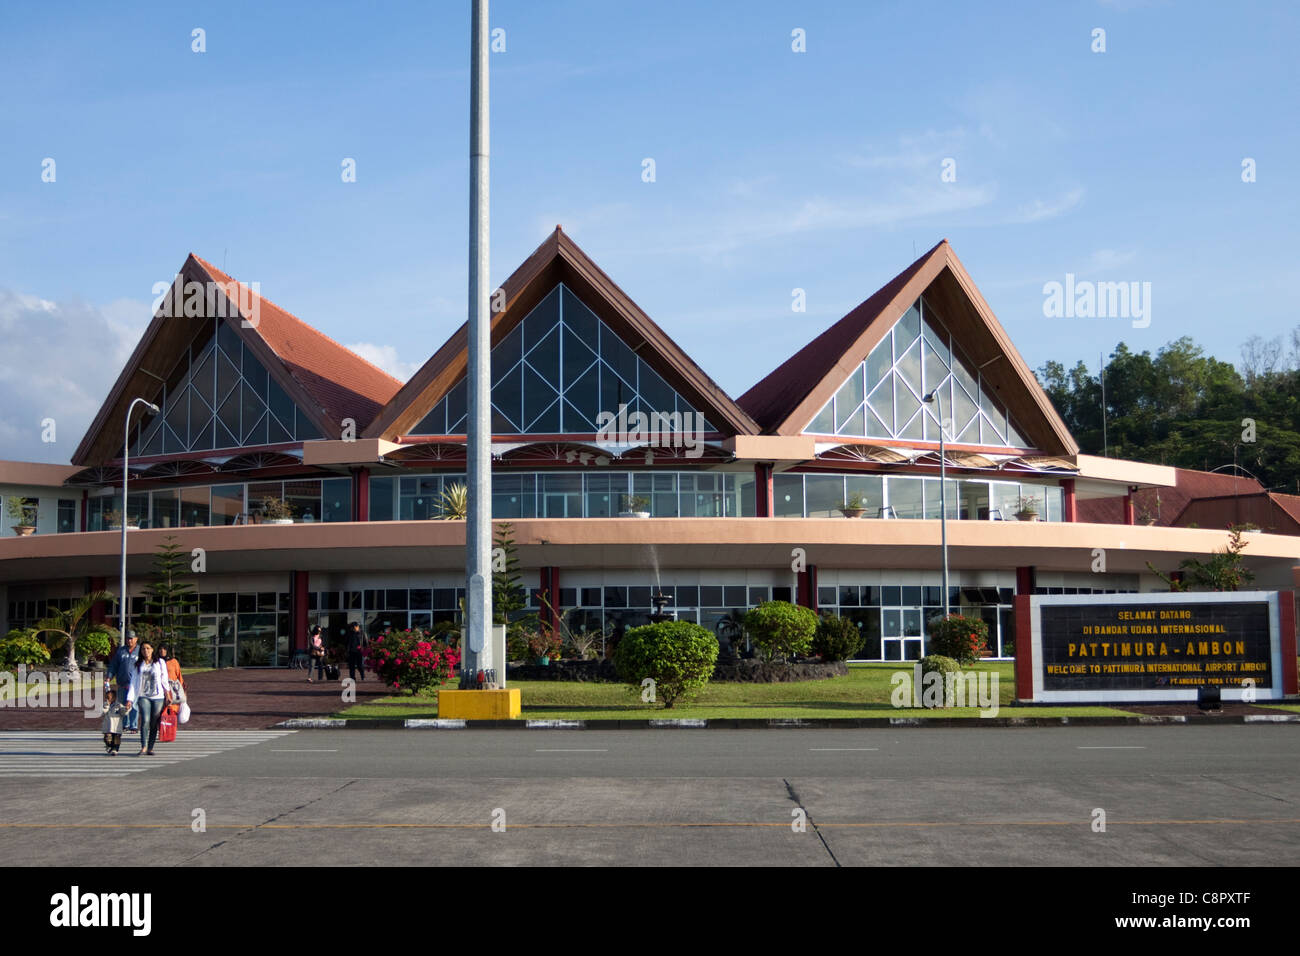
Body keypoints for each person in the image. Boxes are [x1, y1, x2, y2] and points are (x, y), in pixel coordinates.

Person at [125, 642, 172, 756]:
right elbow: (133, 683)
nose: (146, 651)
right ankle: (144, 746)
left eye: (148, 648)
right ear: (141, 651)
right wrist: (130, 699)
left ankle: (150, 747)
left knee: (153, 722)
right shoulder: (138, 665)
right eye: (143, 649)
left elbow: (164, 679)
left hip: (158, 697)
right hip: (143, 696)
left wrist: (167, 694)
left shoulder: (160, 663)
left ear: (152, 649)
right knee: (145, 720)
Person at [107, 631, 140, 733]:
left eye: (131, 638)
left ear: (136, 639)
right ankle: (125, 724)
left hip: (135, 684)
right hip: (122, 683)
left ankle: (133, 725)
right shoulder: (121, 651)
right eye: (128, 638)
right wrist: (109, 677)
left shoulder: (140, 651)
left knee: (134, 705)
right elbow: (114, 665)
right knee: (123, 705)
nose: (129, 640)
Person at [100, 688, 126, 756]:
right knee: (108, 739)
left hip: (117, 727)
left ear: (115, 697)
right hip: (108, 727)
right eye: (107, 697)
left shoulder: (119, 705)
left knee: (116, 739)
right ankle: (109, 746)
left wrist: (126, 709)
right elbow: (103, 712)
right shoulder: (105, 704)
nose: (109, 699)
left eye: (111, 697)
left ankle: (115, 749)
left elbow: (123, 713)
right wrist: (107, 705)